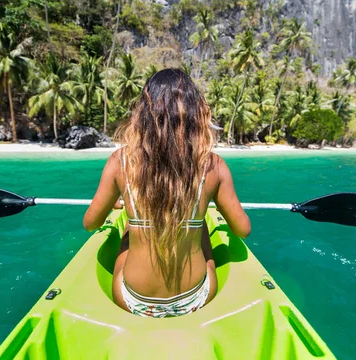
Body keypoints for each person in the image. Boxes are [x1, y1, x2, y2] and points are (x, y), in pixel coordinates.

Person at [83, 69, 250, 318]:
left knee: (130, 228)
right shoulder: (213, 165)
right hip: (195, 298)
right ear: (195, 115)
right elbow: (242, 230)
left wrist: (124, 207)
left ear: (143, 114)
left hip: (132, 300)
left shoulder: (121, 162)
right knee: (200, 224)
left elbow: (90, 223)